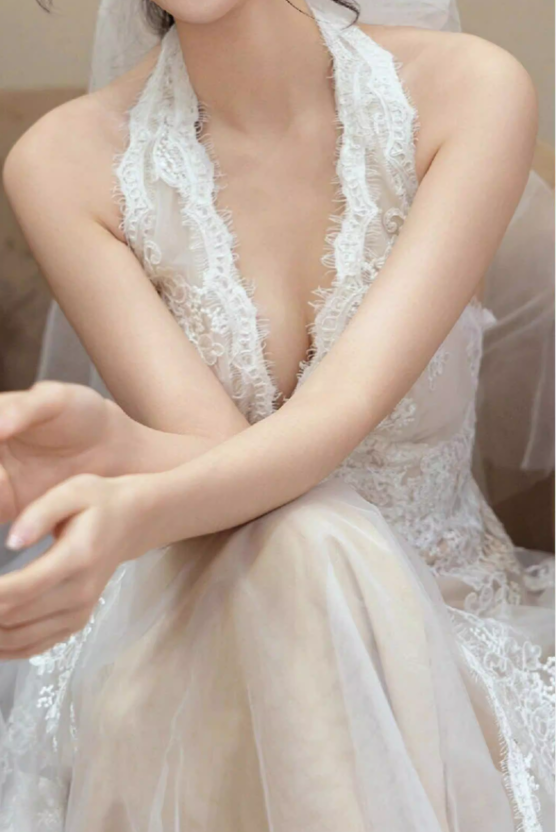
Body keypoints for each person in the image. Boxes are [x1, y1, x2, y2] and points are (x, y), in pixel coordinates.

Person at [0, 0, 553, 829]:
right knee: (300, 539)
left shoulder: (468, 92)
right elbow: (234, 472)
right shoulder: (61, 163)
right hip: (208, 623)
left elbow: (338, 413)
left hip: (447, 633)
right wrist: (122, 446)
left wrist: (132, 481)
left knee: (310, 536)